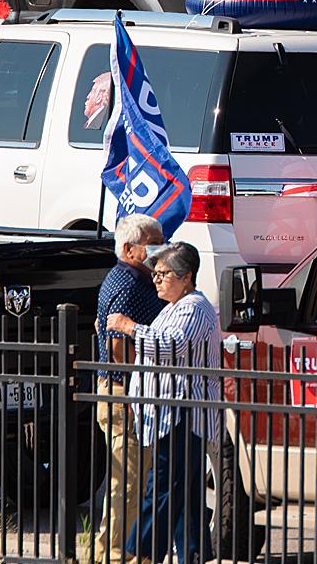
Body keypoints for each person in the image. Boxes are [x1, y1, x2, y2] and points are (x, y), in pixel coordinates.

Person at [107, 242, 221, 564]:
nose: (156, 280)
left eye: (164, 274)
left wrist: (128, 327)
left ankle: (140, 553)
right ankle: (193, 553)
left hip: (183, 412)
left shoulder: (195, 307)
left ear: (187, 277)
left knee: (164, 485)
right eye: (154, 274)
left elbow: (172, 347)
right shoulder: (172, 307)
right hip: (168, 412)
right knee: (184, 489)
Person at [91, 214, 166, 564]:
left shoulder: (131, 278)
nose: (159, 249)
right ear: (129, 248)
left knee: (135, 480)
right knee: (128, 482)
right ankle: (114, 553)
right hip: (125, 393)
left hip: (124, 391)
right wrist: (133, 386)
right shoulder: (131, 284)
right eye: (152, 243)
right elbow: (120, 343)